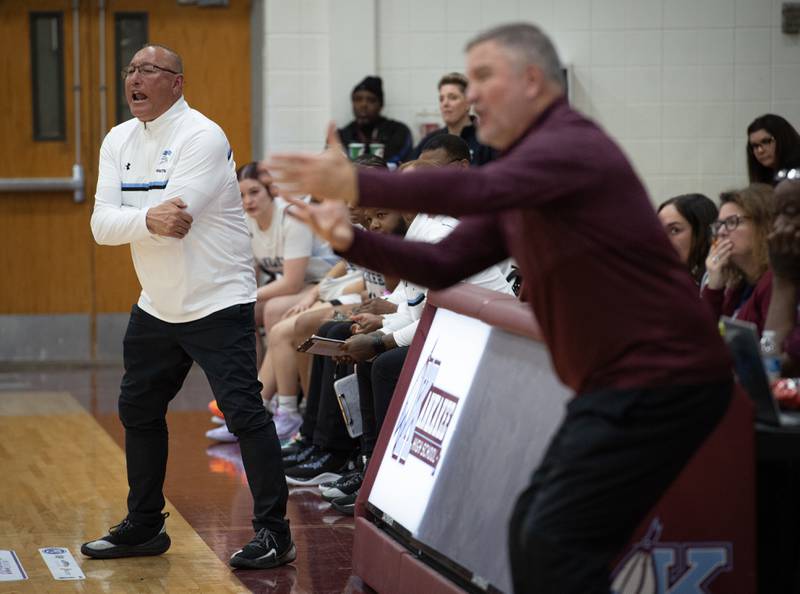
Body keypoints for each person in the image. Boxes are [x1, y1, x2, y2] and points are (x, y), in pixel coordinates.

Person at [268, 23, 733, 592]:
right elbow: (442, 266)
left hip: (665, 377)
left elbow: (473, 193)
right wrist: (348, 239)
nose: (473, 94)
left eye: (485, 77)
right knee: (534, 533)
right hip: (616, 381)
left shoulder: (569, 146)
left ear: (533, 81)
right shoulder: (527, 181)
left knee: (551, 539)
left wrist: (364, 184)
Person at [84, 43, 294, 570]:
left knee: (246, 414)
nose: (135, 78)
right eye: (131, 69)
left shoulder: (203, 135)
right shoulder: (117, 140)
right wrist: (144, 220)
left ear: (176, 82)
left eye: (149, 70)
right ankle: (145, 525)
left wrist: (138, 220)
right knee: (137, 409)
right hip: (156, 305)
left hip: (218, 299)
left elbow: (176, 222)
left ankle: (275, 533)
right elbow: (100, 226)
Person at [702, 184, 774, 332]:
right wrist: (714, 288)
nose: (721, 232)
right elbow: (704, 337)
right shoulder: (737, 285)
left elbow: (773, 346)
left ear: (764, 225)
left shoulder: (774, 282)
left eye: (732, 222)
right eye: (720, 224)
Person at [412, 72, 495, 165]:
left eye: (453, 97)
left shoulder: (486, 140)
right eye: (441, 99)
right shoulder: (430, 141)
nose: (445, 104)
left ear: (468, 103)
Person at [337, 76, 413, 167]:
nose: (363, 105)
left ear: (381, 105)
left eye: (371, 100)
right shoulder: (341, 135)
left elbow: (397, 163)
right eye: (358, 99)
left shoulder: (398, 131)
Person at [657, 193, 718, 284]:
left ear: (704, 233)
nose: (663, 239)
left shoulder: (726, 285)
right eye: (660, 231)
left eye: (675, 230)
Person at [747, 114, 800, 185]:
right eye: (755, 146)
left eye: (766, 141)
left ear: (783, 139)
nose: (760, 150)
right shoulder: (764, 176)